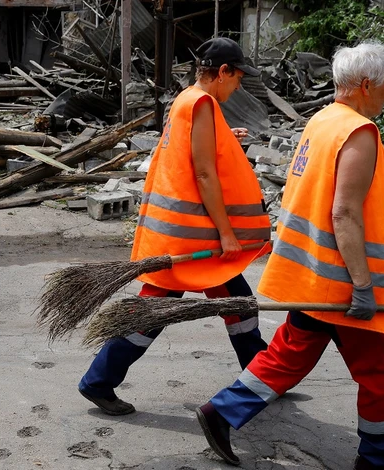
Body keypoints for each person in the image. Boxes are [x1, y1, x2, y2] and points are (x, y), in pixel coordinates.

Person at [196, 42, 384, 470]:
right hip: (342, 283)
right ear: (365, 85)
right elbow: (343, 212)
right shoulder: (358, 133)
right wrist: (362, 285)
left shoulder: (322, 121)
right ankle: (378, 461)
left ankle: (221, 412)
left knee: (289, 353)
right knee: (381, 371)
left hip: (314, 274)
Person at [78, 37, 274, 416]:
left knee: (239, 305)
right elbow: (203, 172)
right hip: (192, 239)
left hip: (182, 235)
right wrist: (227, 233)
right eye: (237, 78)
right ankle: (98, 381)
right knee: (158, 313)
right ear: (222, 72)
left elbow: (191, 152)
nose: (238, 86)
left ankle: (265, 378)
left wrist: (225, 140)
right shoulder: (202, 103)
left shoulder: (186, 100)